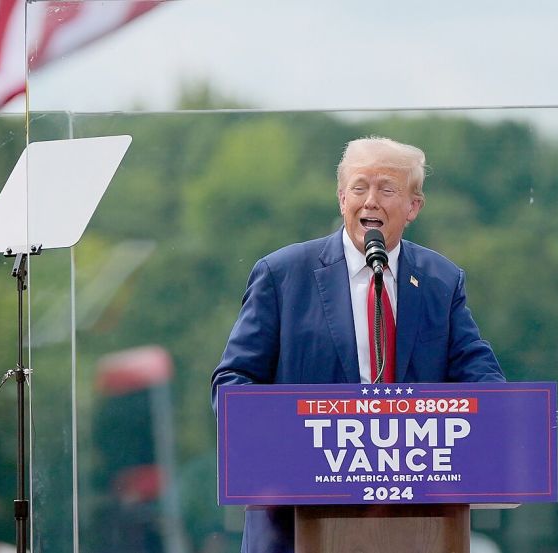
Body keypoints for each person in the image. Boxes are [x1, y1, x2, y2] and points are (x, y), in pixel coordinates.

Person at [211, 136, 504, 553]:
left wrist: (502, 418)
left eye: (387, 189)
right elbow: (233, 382)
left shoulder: (441, 280)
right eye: (359, 187)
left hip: (415, 524)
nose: (371, 201)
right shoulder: (282, 275)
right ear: (341, 197)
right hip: (292, 528)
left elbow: (480, 375)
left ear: (413, 206)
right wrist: (290, 438)